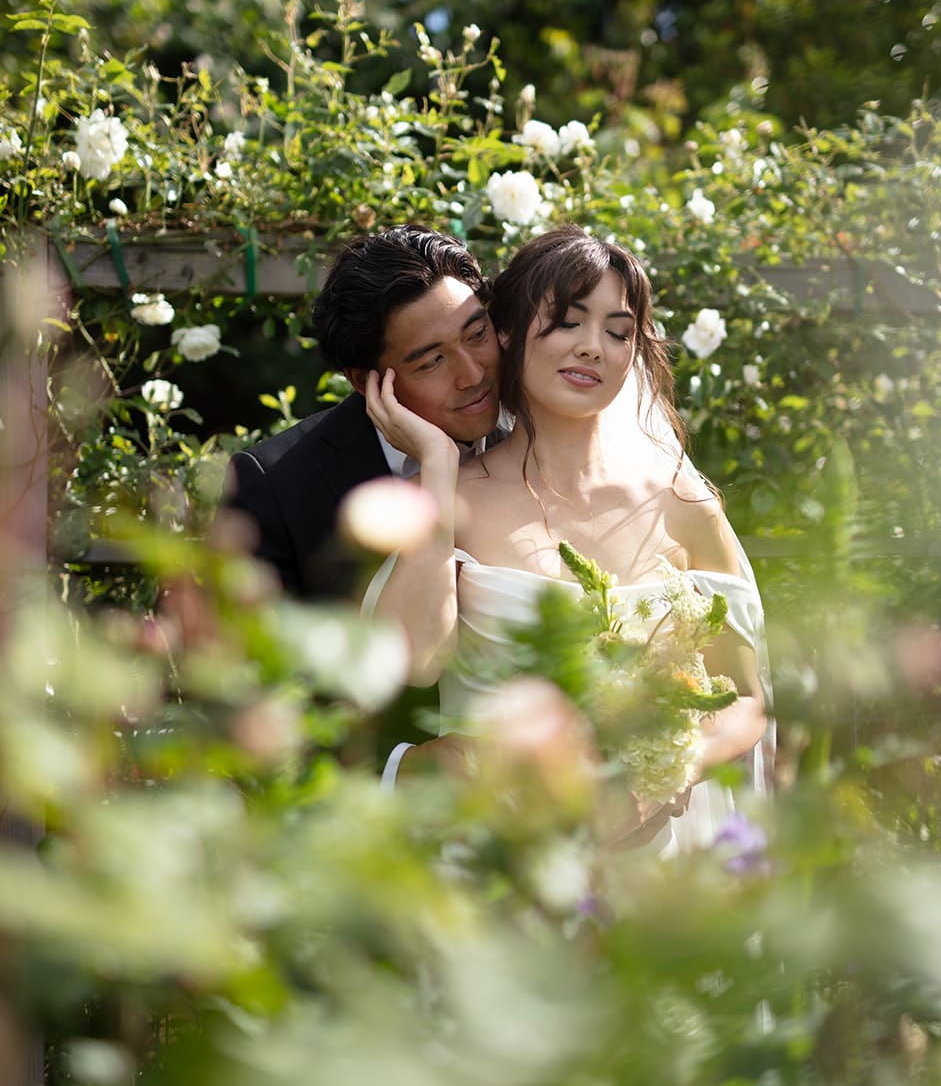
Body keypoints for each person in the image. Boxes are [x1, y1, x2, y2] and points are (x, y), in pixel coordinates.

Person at [365, 224, 772, 852]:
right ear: (508, 333)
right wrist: (440, 469)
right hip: (507, 839)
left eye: (617, 332)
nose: (592, 348)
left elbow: (745, 698)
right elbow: (416, 659)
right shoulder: (446, 498)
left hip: (665, 846)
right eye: (567, 322)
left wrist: (669, 768)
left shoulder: (683, 502)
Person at [224, 226, 501, 596]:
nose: (473, 375)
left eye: (477, 335)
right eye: (433, 361)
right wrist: (437, 459)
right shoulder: (275, 485)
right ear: (363, 381)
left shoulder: (537, 432)